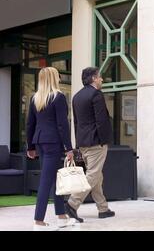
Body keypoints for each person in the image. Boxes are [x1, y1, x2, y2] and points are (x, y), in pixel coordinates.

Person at [26, 67, 77, 231]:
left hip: (40, 141)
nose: (60, 77)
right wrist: (69, 148)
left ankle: (61, 217)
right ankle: (38, 222)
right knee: (46, 181)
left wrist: (31, 146)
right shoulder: (58, 97)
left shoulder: (35, 98)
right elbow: (63, 125)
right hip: (53, 142)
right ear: (54, 78)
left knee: (55, 179)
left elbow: (30, 125)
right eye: (58, 75)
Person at [65, 67, 115, 222]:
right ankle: (72, 204)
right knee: (93, 175)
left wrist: (77, 143)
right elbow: (102, 121)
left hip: (83, 142)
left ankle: (103, 208)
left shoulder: (77, 97)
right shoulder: (96, 95)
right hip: (96, 142)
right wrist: (104, 140)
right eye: (100, 77)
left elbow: (77, 123)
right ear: (93, 78)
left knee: (96, 176)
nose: (101, 80)